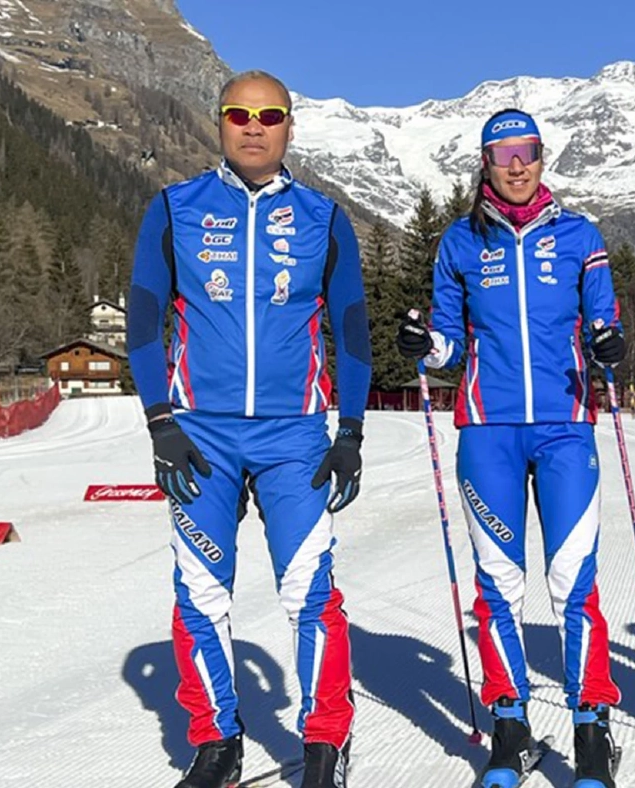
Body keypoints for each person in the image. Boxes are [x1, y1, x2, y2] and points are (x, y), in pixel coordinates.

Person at [126, 70, 371, 788]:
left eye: (270, 115)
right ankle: (217, 742)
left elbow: (352, 332)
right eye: (239, 113)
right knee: (200, 594)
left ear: (290, 126)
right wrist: (158, 422)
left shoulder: (325, 217)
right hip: (199, 435)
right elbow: (143, 322)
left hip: (294, 436)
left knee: (310, 594)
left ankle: (325, 742)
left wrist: (349, 432)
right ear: (219, 122)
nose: (254, 126)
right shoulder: (174, 208)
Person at [396, 108, 626, 788]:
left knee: (572, 583)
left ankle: (592, 728)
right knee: (498, 584)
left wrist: (608, 345)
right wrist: (425, 347)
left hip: (564, 427)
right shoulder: (461, 243)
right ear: (486, 164)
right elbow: (447, 340)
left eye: (526, 151)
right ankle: (510, 725)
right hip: (488, 430)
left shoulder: (581, 235)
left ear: (543, 157)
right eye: (503, 154)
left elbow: (603, 323)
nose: (516, 164)